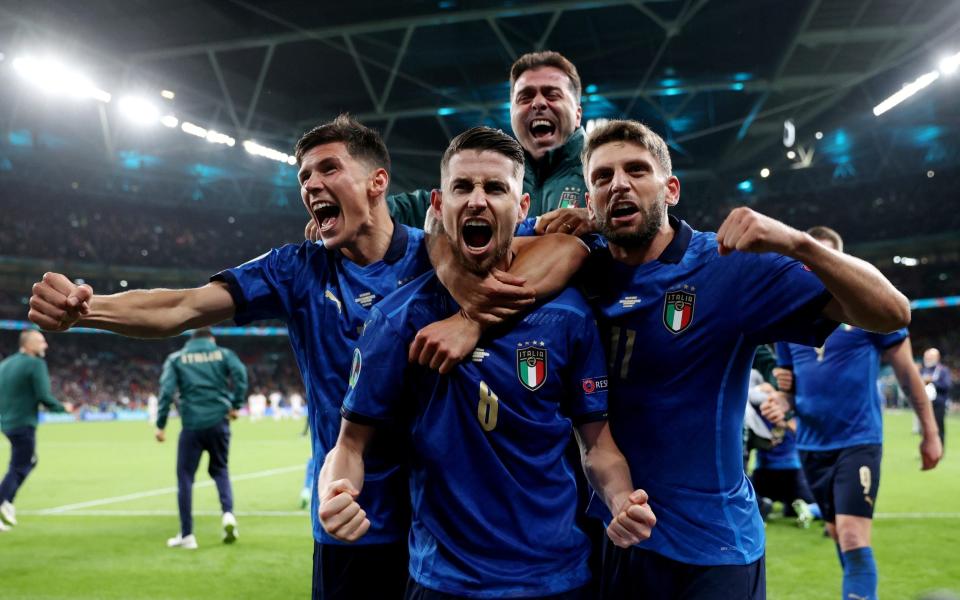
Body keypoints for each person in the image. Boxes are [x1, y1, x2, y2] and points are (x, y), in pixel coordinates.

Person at [27, 115, 588, 599]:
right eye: (303, 177)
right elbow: (182, 306)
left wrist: (470, 312)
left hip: (439, 529)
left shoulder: (439, 251)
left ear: (378, 183)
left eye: (327, 169)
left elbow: (564, 248)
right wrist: (89, 309)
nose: (311, 185)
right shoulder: (296, 269)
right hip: (350, 519)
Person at [573, 120, 910, 598]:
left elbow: (892, 311)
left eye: (636, 170)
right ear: (589, 202)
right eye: (602, 177)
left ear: (670, 189)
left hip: (714, 550)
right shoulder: (579, 275)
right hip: (619, 537)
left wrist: (799, 243)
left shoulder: (728, 265)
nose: (619, 184)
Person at [318, 127, 655, 599]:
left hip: (557, 579)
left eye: (495, 188)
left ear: (521, 210)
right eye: (463, 187)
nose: (477, 200)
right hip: (444, 581)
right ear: (439, 205)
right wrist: (333, 493)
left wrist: (621, 499)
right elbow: (348, 446)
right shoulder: (397, 319)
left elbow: (596, 443)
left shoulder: (569, 316)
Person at [762, 225, 942, 600]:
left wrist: (930, 431)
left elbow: (908, 374)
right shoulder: (788, 322)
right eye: (807, 259)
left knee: (852, 534)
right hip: (811, 446)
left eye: (823, 257)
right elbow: (789, 390)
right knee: (838, 534)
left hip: (857, 441)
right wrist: (781, 402)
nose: (816, 266)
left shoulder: (865, 311)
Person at [385, 51, 595, 237]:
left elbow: (626, 216)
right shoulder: (490, 171)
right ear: (512, 114)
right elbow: (410, 208)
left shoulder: (603, 170)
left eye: (552, 95)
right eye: (525, 97)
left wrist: (599, 219)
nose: (538, 103)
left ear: (577, 114)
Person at [156, 328, 248, 549]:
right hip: (219, 421)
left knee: (186, 477)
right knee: (220, 470)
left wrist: (161, 425)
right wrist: (235, 405)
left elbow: (166, 391)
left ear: (191, 340)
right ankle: (228, 514)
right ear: (211, 339)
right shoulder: (224, 354)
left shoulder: (177, 358)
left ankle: (187, 534)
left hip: (192, 425)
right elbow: (241, 375)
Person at [0, 330, 71, 530]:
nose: (45, 345)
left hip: (7, 423)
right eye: (41, 341)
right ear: (29, 344)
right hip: (23, 423)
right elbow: (44, 395)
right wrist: (62, 408)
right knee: (20, 466)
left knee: (27, 461)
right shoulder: (35, 364)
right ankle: (4, 501)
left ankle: (7, 502)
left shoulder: (5, 365)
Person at [921, 347, 951, 451]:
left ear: (937, 358)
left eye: (930, 357)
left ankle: (940, 449)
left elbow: (947, 385)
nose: (927, 359)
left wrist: (933, 381)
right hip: (925, 403)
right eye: (926, 357)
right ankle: (926, 449)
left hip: (938, 403)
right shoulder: (923, 370)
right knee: (925, 428)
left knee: (938, 426)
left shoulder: (942, 370)